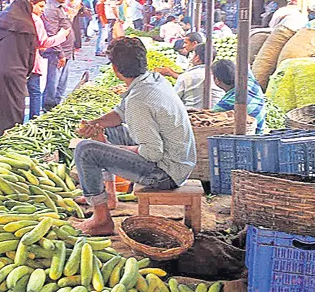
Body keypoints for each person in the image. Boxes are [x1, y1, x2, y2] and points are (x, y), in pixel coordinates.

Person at [73, 37, 196, 235]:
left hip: (166, 174)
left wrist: (113, 149)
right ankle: (109, 196)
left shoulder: (138, 101)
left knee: (85, 150)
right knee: (106, 131)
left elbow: (152, 153)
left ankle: (101, 219)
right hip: (179, 161)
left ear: (115, 69)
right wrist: (95, 124)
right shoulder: (153, 79)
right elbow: (119, 114)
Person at [0, 0, 37, 141]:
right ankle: (9, 140)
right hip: (14, 72)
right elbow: (31, 55)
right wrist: (26, 72)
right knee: (13, 108)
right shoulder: (28, 26)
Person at [27, 0, 70, 119]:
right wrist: (62, 35)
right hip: (31, 62)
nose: (42, 10)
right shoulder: (35, 20)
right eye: (40, 6)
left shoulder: (21, 18)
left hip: (20, 61)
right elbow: (43, 43)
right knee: (35, 91)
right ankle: (34, 119)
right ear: (31, 5)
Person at [42, 0, 75, 111]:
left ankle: (56, 104)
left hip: (67, 50)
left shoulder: (60, 6)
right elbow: (51, 32)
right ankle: (48, 107)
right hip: (57, 52)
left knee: (62, 81)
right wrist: (60, 53)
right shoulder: (50, 9)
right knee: (53, 81)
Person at [211, 59, 266, 134]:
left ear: (216, 80)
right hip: (261, 131)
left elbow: (210, 117)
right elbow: (246, 66)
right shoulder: (250, 81)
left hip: (251, 136)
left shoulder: (226, 103)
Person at [174, 44, 225, 110]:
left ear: (197, 58)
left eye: (193, 54)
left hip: (192, 115)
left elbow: (174, 100)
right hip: (217, 115)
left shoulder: (185, 77)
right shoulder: (219, 75)